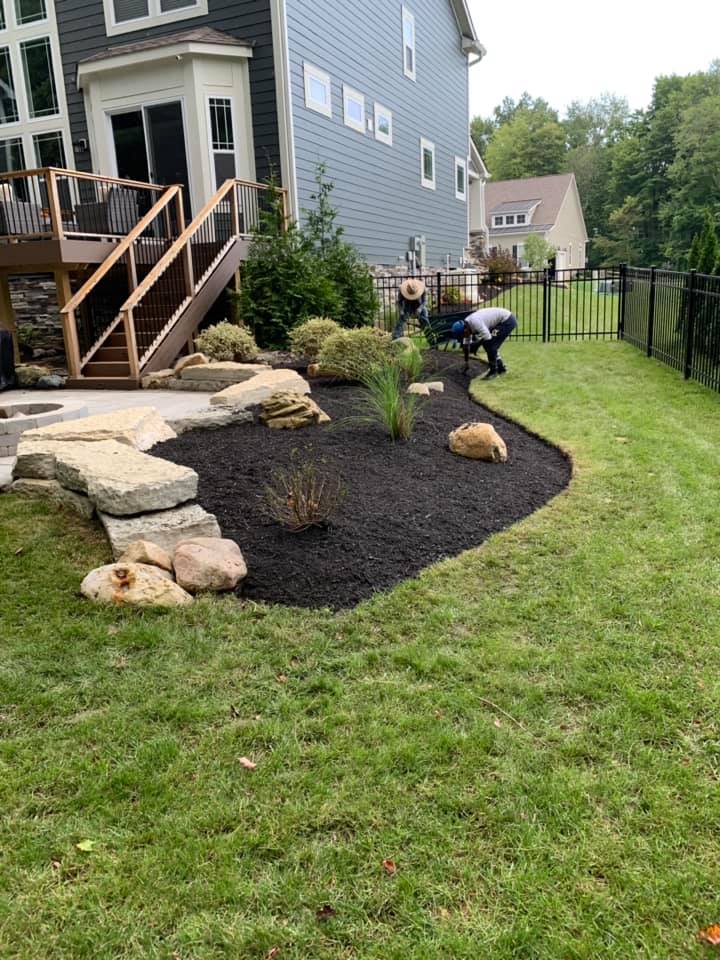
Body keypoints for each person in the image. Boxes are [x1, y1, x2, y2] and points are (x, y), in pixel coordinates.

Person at [451, 307, 518, 379]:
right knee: (489, 345)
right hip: (499, 322)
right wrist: (466, 363)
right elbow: (466, 347)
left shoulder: (476, 322)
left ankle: (493, 371)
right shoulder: (466, 326)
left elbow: (488, 339)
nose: (464, 337)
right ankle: (501, 368)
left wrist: (478, 344)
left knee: (490, 345)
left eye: (462, 336)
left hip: (507, 320)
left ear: (465, 330)